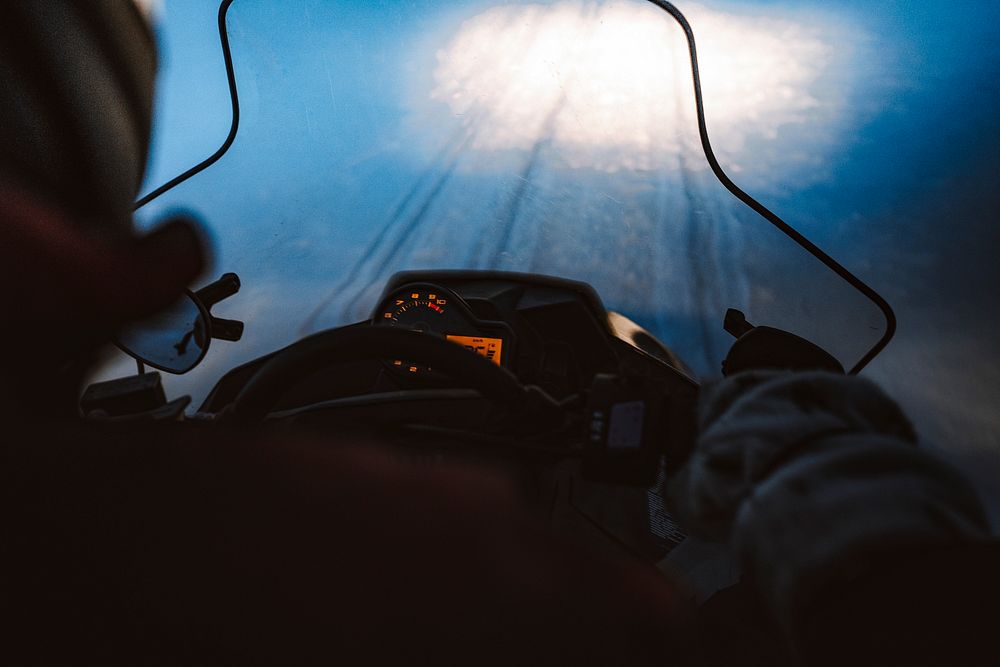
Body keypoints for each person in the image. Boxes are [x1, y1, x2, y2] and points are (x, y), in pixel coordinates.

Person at [1, 2, 995, 664]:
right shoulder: (520, 593)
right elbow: (908, 610)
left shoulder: (106, 543)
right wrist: (795, 436)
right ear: (97, 254)